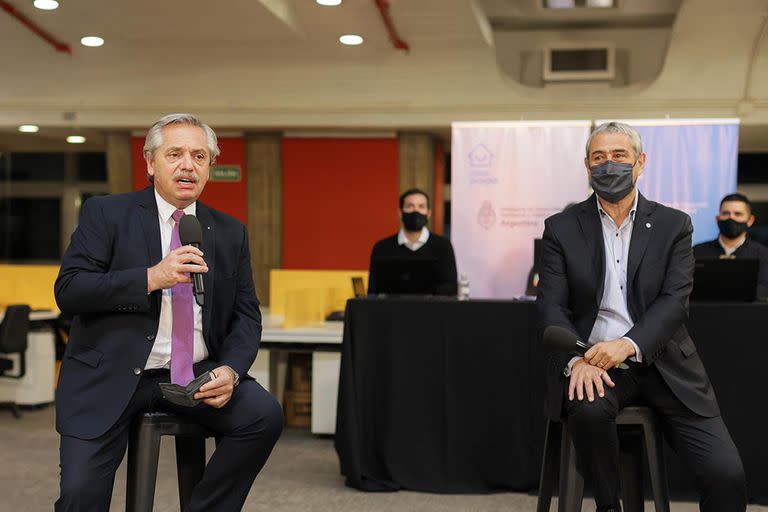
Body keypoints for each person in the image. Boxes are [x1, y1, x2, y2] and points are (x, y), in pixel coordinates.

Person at [54, 113, 283, 511]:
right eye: (174, 153)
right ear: (150, 163)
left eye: (199, 156)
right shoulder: (106, 214)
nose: (187, 165)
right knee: (80, 496)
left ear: (210, 166)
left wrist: (230, 370)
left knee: (263, 415)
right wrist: (150, 278)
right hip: (110, 372)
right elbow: (70, 290)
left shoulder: (230, 231)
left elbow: (247, 315)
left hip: (193, 373)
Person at [537, 121, 745, 512]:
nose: (608, 165)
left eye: (619, 156)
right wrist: (575, 360)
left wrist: (627, 344)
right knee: (587, 408)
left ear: (640, 162)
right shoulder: (561, 229)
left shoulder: (673, 225)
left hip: (664, 361)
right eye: (598, 157)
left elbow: (674, 302)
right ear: (586, 166)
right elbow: (551, 306)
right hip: (594, 362)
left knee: (725, 473)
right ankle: (609, 507)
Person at [367, 188, 458, 295]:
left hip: (432, 309)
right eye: (410, 206)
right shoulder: (382, 247)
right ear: (400, 213)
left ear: (428, 213)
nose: (416, 211)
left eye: (421, 206)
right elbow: (373, 290)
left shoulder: (443, 246)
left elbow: (451, 287)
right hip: (393, 309)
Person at [693, 193, 768, 298]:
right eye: (726, 213)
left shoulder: (764, 255)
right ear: (717, 218)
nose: (731, 218)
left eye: (738, 214)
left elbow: (764, 290)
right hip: (706, 312)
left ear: (750, 220)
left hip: (747, 313)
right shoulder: (697, 252)